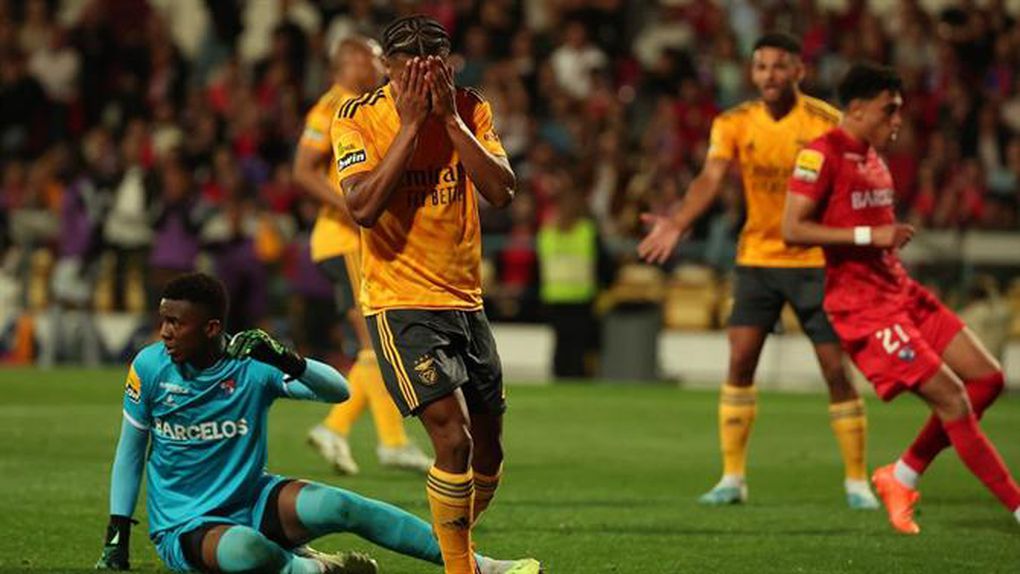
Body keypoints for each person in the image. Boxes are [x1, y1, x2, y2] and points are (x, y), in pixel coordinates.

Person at [94, 272, 536, 573]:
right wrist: (118, 533)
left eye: (176, 323)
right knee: (245, 551)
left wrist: (285, 358)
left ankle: (479, 565)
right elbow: (131, 452)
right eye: (163, 320)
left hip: (253, 499)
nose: (165, 332)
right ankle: (312, 567)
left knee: (342, 507)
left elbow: (338, 391)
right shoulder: (150, 367)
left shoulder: (250, 365)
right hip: (185, 525)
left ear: (211, 328)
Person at [330, 15, 540, 574]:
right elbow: (362, 207)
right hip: (399, 301)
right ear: (387, 69)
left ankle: (462, 552)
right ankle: (460, 568)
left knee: (489, 451)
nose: (424, 82)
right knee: (454, 441)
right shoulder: (356, 117)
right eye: (410, 73)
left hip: (466, 301)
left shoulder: (470, 108)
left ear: (450, 68)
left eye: (436, 70)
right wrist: (409, 127)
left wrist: (447, 119)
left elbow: (502, 190)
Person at [637, 32, 877, 509]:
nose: (770, 75)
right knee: (740, 362)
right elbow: (710, 177)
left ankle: (856, 482)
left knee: (835, 370)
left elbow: (856, 185)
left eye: (780, 66)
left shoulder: (826, 123)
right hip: (757, 259)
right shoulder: (734, 122)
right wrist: (680, 222)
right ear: (752, 72)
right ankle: (732, 478)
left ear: (799, 71)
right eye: (762, 66)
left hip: (815, 262)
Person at [783, 62, 1020, 534]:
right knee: (953, 399)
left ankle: (903, 474)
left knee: (987, 379)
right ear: (856, 108)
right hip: (864, 308)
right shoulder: (821, 155)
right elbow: (792, 229)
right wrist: (870, 235)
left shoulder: (875, 158)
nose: (897, 121)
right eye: (888, 110)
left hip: (901, 292)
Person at [294, 34, 430, 476]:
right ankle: (391, 441)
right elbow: (302, 171)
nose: (379, 66)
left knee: (373, 343)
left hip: (357, 241)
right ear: (350, 62)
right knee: (373, 341)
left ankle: (338, 428)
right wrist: (350, 208)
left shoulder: (364, 105)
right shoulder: (331, 106)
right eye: (373, 59)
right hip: (345, 239)